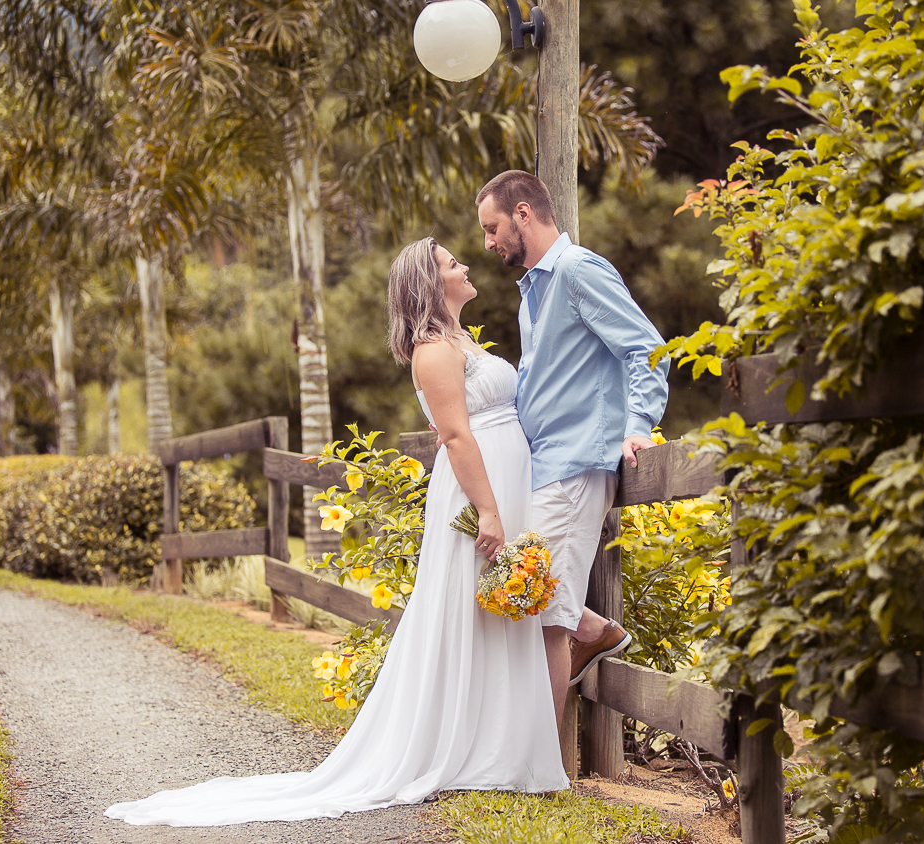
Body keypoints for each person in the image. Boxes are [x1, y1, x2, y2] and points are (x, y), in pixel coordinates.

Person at [105, 238, 566, 826]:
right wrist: (492, 512)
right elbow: (455, 437)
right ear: (431, 283)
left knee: (497, 614)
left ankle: (496, 745)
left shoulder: (461, 341)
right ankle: (473, 749)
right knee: (471, 613)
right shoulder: (433, 351)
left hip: (502, 477)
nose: (466, 266)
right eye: (453, 263)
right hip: (480, 491)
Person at [476, 170, 671, 728]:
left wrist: (639, 424)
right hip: (545, 468)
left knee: (545, 619)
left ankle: (535, 764)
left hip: (576, 464)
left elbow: (647, 349)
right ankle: (596, 632)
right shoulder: (532, 288)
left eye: (492, 229)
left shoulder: (578, 270)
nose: (488, 244)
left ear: (522, 213)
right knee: (529, 596)